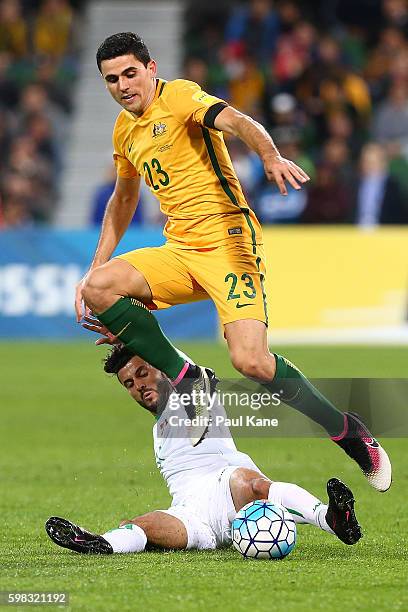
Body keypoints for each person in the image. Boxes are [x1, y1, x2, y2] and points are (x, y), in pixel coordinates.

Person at [74, 32, 391, 493]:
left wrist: (269, 155)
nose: (123, 85)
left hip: (227, 243)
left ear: (150, 68)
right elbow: (124, 200)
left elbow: (239, 121)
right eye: (111, 79)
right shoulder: (124, 131)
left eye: (130, 73)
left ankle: (347, 431)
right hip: (179, 249)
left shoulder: (179, 96)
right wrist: (93, 267)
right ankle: (189, 380)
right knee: (98, 288)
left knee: (252, 362)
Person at [45, 346, 362, 555]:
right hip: (193, 513)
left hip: (228, 488)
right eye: (128, 383)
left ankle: (331, 518)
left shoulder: (194, 395)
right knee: (146, 524)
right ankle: (102, 543)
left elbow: (174, 357)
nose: (138, 386)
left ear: (165, 369)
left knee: (251, 483)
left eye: (142, 373)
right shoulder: (159, 429)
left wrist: (128, 328)